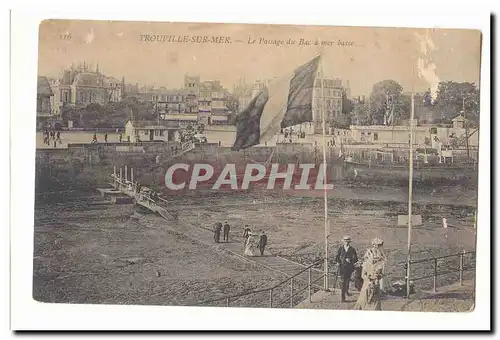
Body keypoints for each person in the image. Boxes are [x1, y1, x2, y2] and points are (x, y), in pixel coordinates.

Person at [354, 238, 386, 310]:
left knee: (375, 300)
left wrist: (378, 276)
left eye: (378, 245)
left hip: (376, 284)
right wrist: (368, 279)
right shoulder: (366, 264)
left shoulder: (379, 265)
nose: (377, 247)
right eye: (376, 245)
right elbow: (363, 275)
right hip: (367, 283)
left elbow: (382, 274)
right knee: (365, 298)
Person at [335, 235, 358, 302]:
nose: (346, 242)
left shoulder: (352, 249)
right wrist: (338, 262)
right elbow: (337, 257)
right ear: (343, 242)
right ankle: (343, 298)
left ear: (349, 242)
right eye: (345, 241)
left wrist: (350, 259)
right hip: (342, 267)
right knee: (343, 282)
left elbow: (356, 259)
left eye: (347, 241)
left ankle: (347, 291)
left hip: (349, 268)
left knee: (347, 281)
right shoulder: (340, 248)